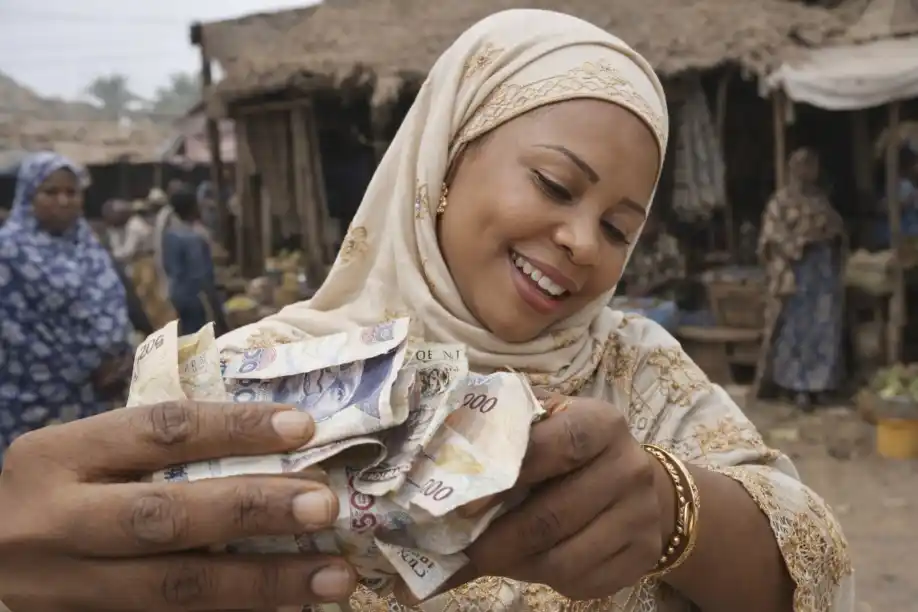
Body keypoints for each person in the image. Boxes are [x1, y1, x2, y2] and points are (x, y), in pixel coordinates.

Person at [0, 11, 851, 612]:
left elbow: (810, 560)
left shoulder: (633, 368)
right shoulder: (244, 387)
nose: (583, 241)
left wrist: (677, 514)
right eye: (556, 186)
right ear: (444, 164)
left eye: (620, 227)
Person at [0, 152, 133, 468]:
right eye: (50, 192)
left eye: (71, 192)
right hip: (37, 400)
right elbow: (15, 330)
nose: (63, 201)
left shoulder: (87, 244)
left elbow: (113, 303)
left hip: (99, 397)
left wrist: (121, 358)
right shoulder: (9, 251)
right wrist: (88, 367)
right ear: (28, 195)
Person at [758, 148, 846, 410]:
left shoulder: (821, 199)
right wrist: (799, 243)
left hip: (822, 277)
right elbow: (770, 237)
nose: (807, 171)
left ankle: (820, 386)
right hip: (796, 275)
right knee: (796, 332)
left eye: (811, 165)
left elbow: (837, 228)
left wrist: (831, 235)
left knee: (825, 331)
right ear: (792, 169)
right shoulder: (780, 201)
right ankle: (796, 388)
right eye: (801, 165)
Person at [162, 188, 227, 336]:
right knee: (198, 339)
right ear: (193, 207)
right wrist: (217, 307)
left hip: (176, 295)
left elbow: (168, 267)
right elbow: (201, 275)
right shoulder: (193, 238)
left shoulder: (169, 235)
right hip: (195, 298)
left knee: (184, 336)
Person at [619, 210, 686, 299]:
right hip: (637, 296)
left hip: (665, 294)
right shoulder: (632, 244)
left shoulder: (669, 243)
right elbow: (627, 274)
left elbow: (678, 272)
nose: (644, 226)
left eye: (648, 221)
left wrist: (655, 283)